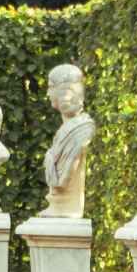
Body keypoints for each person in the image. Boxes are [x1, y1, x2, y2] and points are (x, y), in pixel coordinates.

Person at [41, 65, 95, 219]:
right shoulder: (65, 130)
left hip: (68, 208)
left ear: (63, 91)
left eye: (51, 87)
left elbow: (62, 180)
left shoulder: (81, 131)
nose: (48, 93)